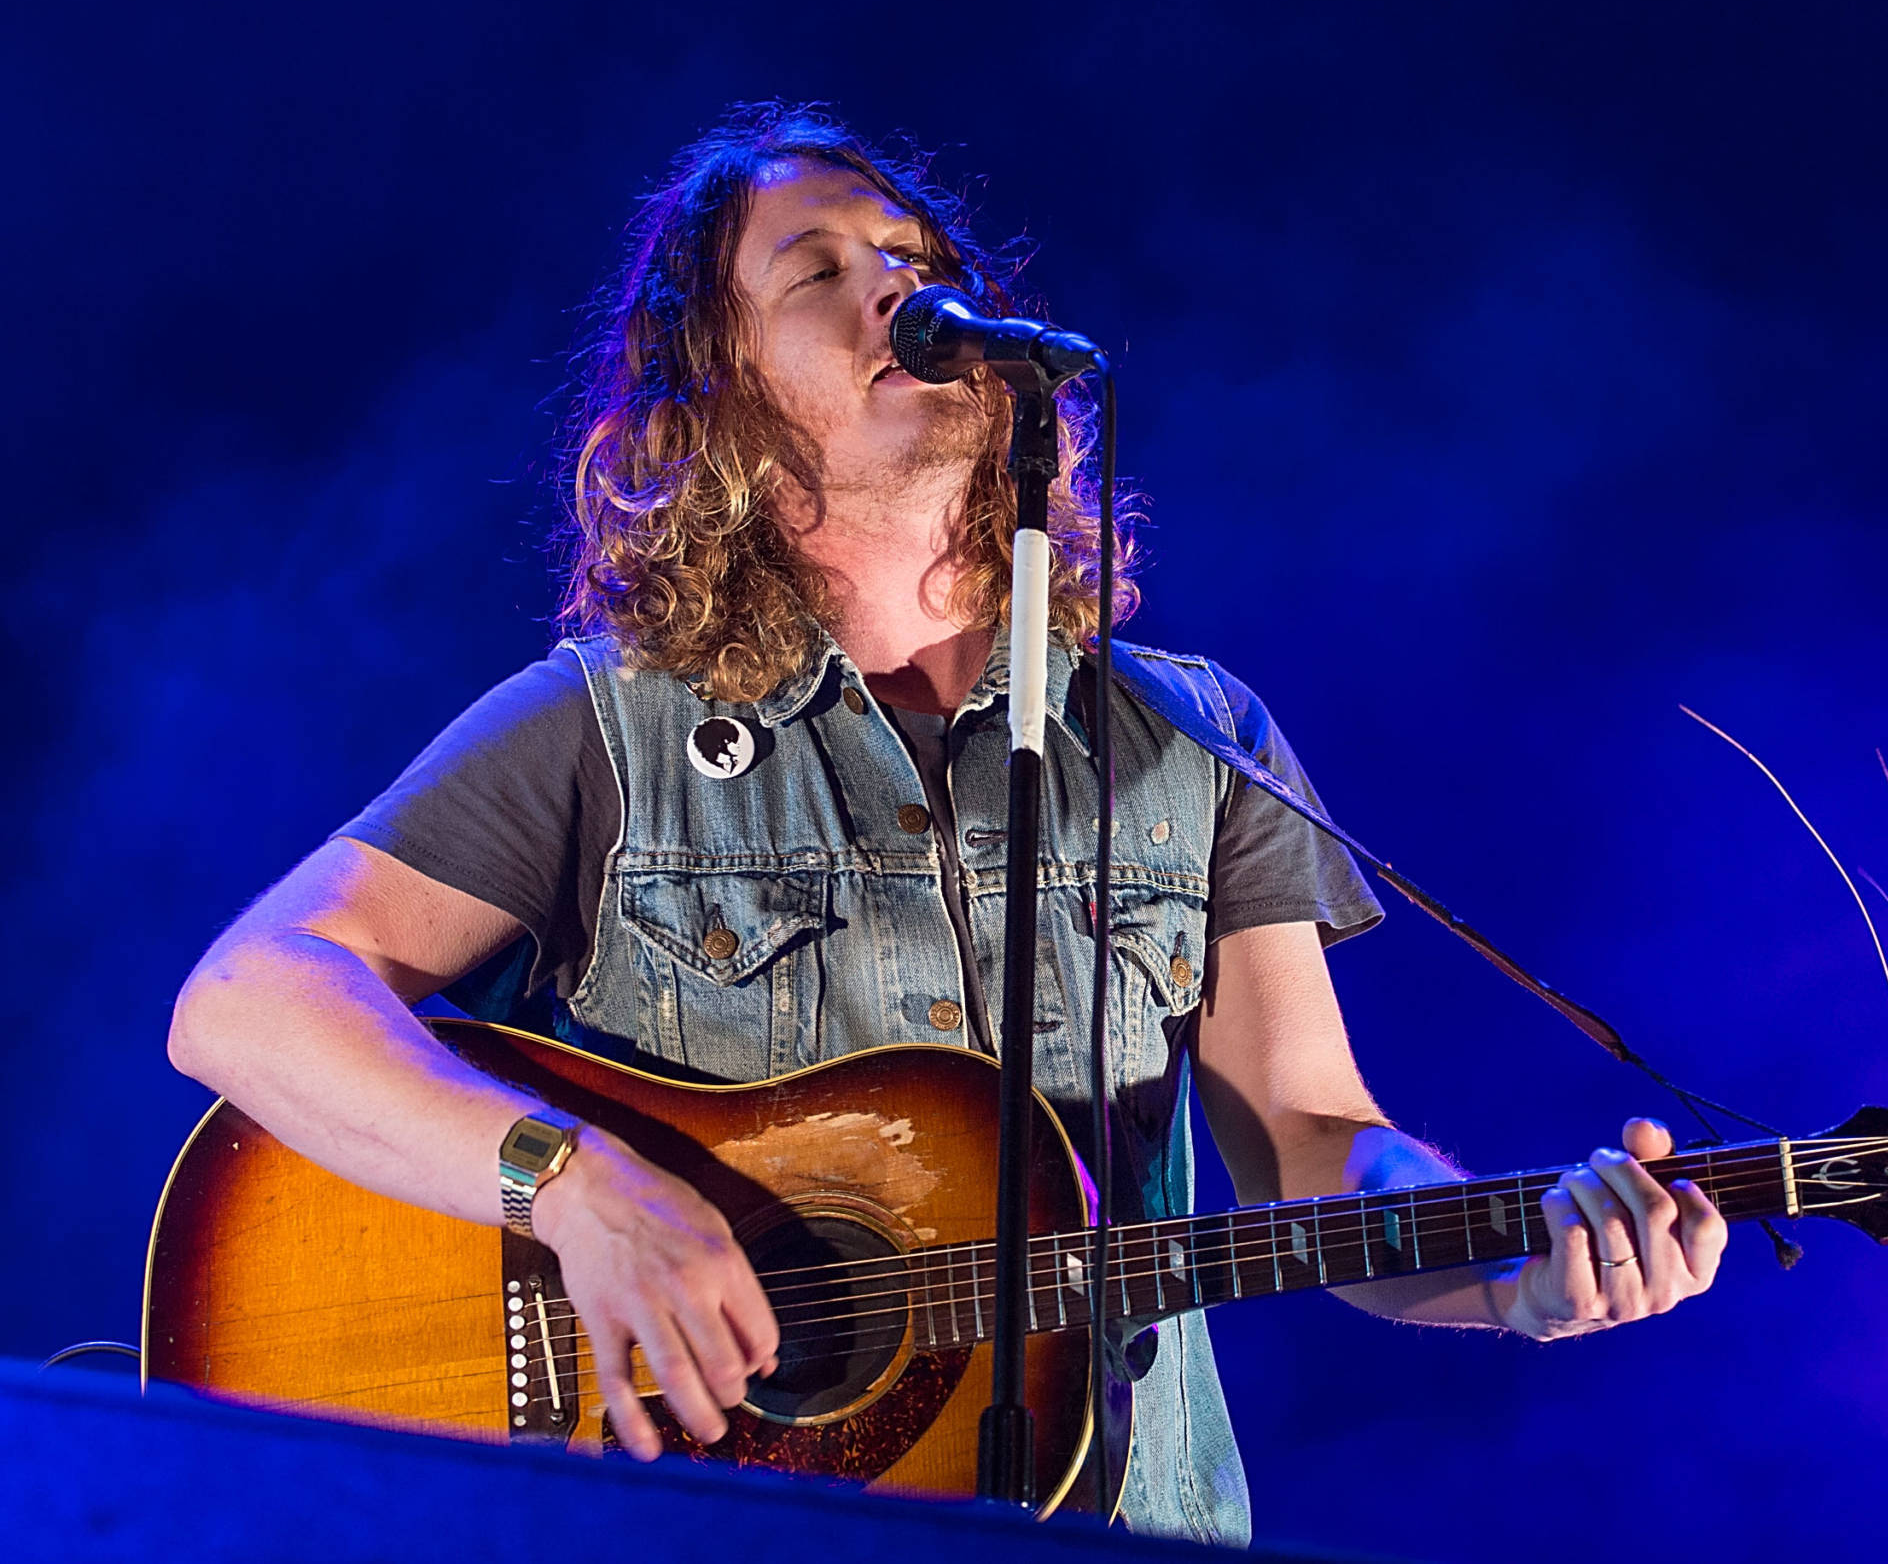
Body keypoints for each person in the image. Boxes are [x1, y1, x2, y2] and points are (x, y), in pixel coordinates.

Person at [166, 102, 1727, 1547]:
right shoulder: (607, 728)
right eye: (818, 271)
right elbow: (246, 1001)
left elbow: (1317, 1146)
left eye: (916, 262)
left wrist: (1518, 1270)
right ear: (718, 388)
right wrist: (579, 1191)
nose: (892, 293)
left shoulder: (1198, 743)